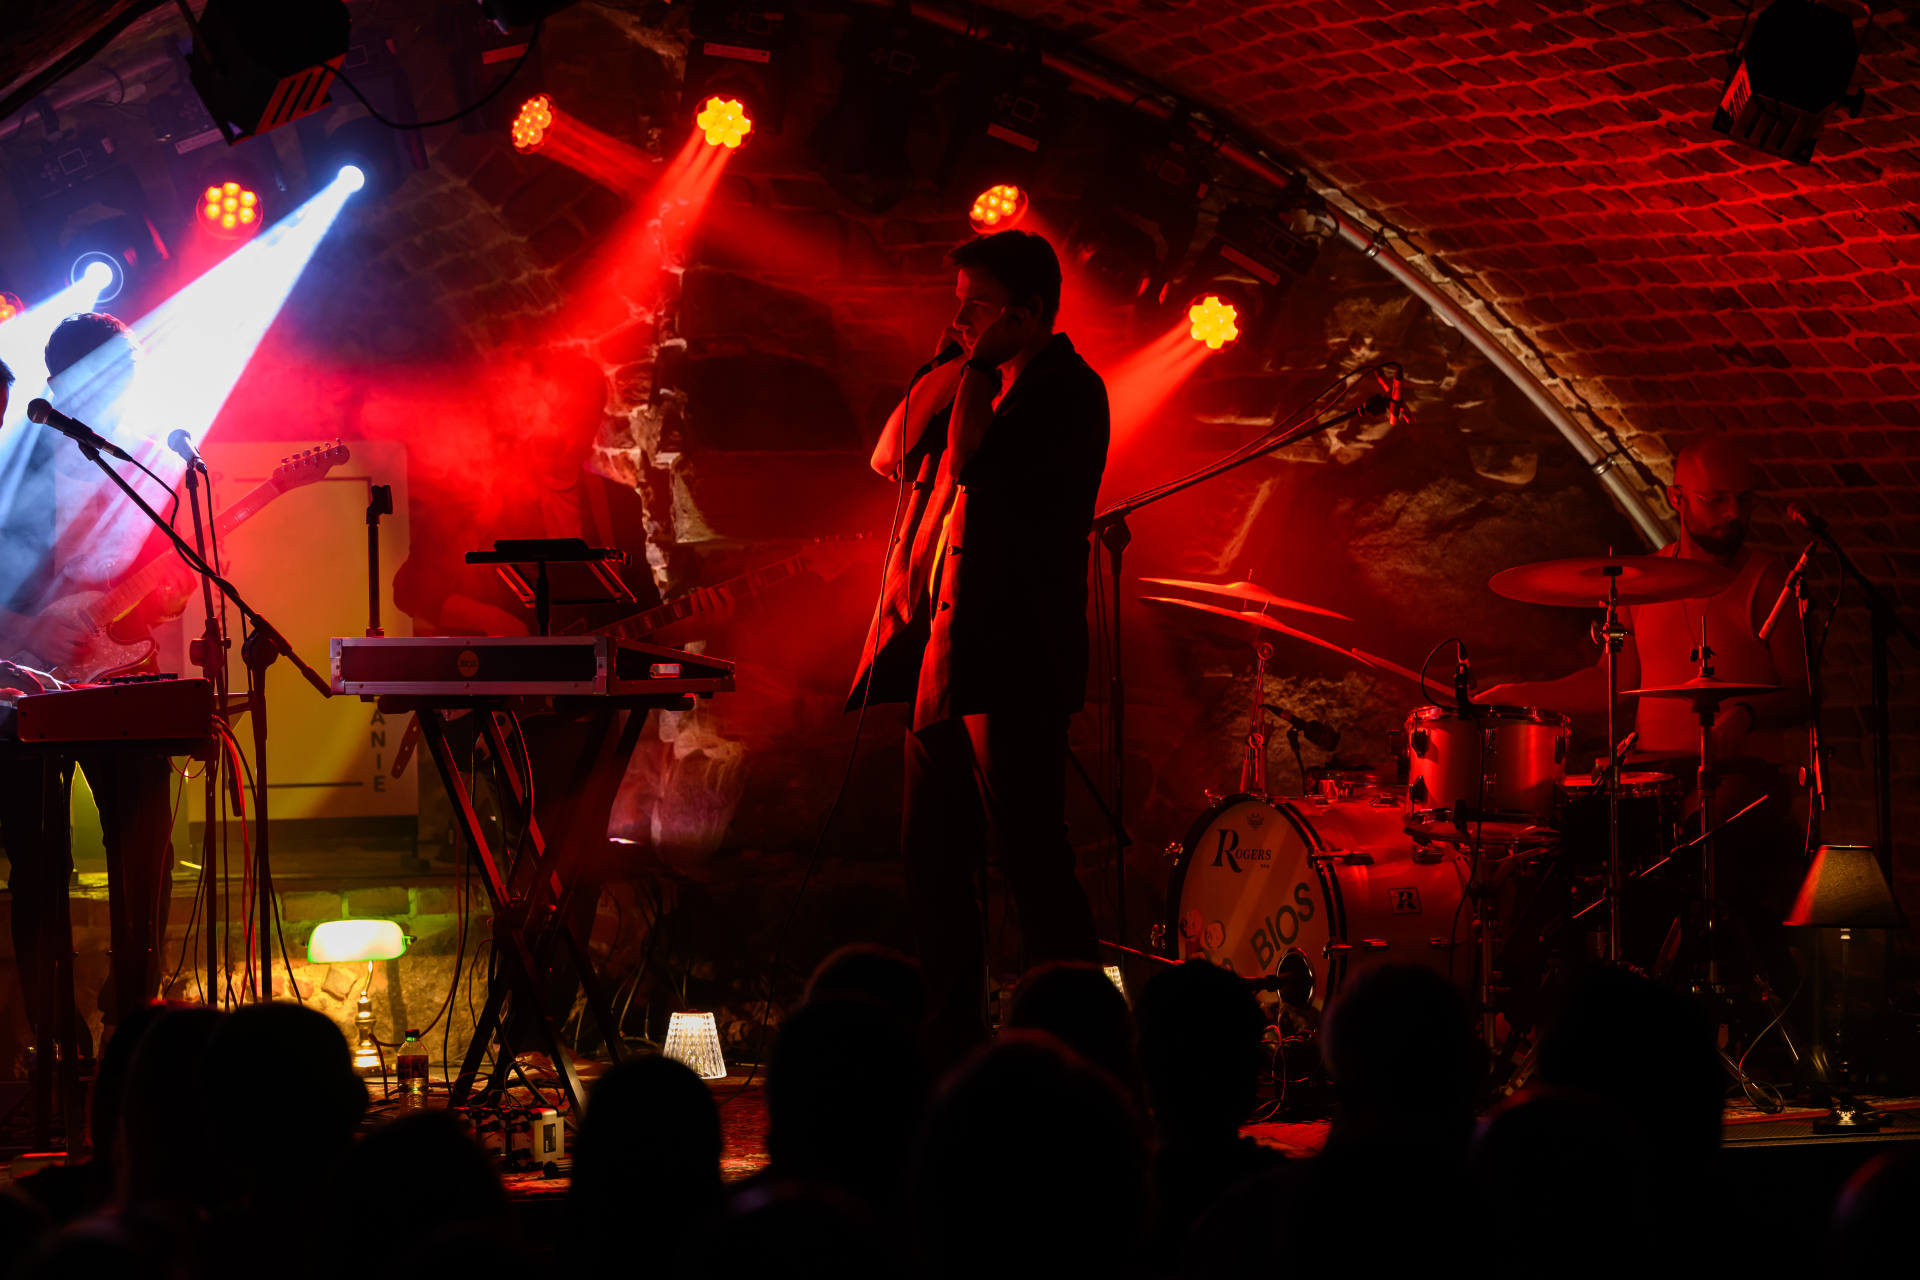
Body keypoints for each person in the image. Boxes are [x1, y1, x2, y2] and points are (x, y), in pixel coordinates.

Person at [849, 230, 1111, 1065]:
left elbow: (973, 465)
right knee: (931, 854)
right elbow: (888, 455)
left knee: (1029, 851)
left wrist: (972, 374)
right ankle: (951, 1036)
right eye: (957, 304)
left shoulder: (1067, 390)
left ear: (1026, 315)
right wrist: (952, 364)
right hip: (944, 650)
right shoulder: (970, 376)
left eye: (977, 307)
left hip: (1014, 655)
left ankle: (1077, 1044)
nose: (959, 319)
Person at [1478, 433, 1810, 988]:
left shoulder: (1766, 579)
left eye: (1744, 499)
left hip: (1739, 777)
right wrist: (1517, 692)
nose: (1734, 513)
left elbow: (1804, 691)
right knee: (1554, 848)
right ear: (1677, 498)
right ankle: (1540, 995)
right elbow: (1613, 686)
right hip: (1651, 774)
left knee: (1691, 854)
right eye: (1716, 499)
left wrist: (1746, 714)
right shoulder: (1639, 583)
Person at [0, 316, 177, 1042]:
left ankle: (135, 1015)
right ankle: (55, 1037)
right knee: (39, 858)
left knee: (146, 850)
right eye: (111, 373)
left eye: (129, 373)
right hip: (22, 682)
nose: (122, 389)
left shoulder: (142, 461)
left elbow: (159, 587)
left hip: (120, 674)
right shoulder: (12, 462)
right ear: (61, 382)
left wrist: (172, 590)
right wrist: (24, 629)